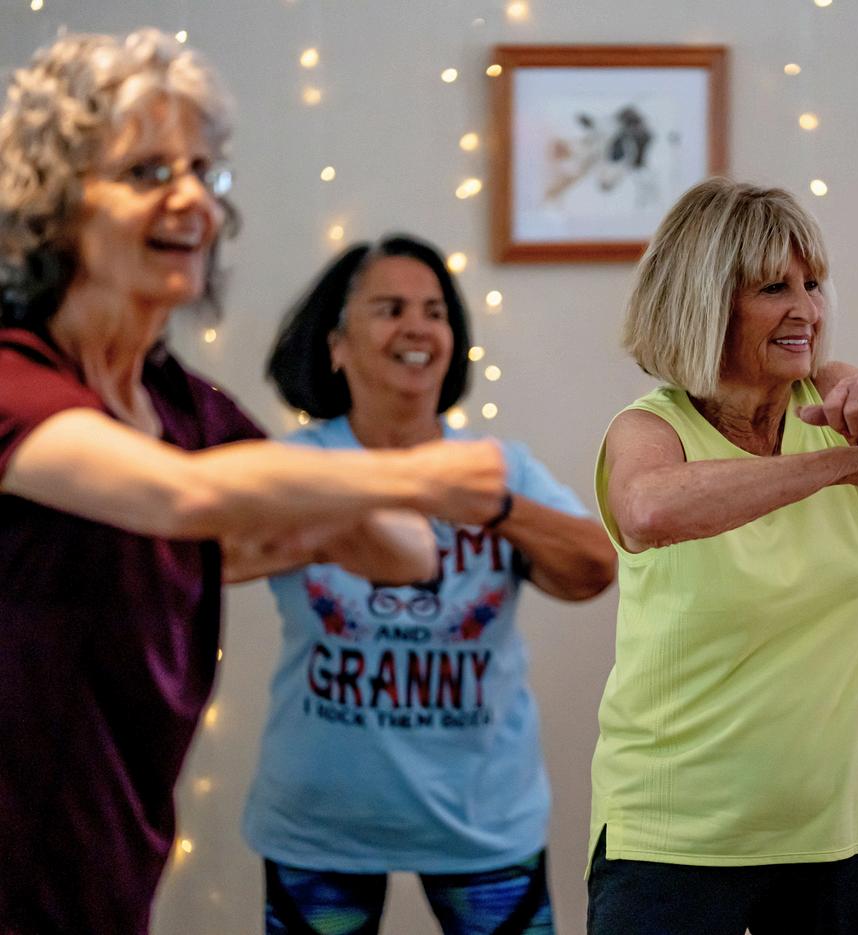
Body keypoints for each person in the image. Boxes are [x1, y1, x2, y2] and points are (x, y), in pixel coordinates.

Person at [0, 30, 504, 935]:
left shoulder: (184, 407)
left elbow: (405, 552)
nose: (192, 197)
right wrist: (410, 473)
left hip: (107, 872)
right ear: (54, 204)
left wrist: (278, 516)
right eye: (147, 171)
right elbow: (180, 497)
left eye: (203, 169)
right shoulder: (14, 375)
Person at [587, 178, 858, 935]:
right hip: (677, 842)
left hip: (844, 840)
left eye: (813, 284)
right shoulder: (651, 429)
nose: (807, 310)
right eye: (774, 288)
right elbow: (648, 511)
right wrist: (845, 466)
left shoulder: (831, 402)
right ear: (706, 302)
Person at [243, 234, 616, 935]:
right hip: (320, 826)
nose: (417, 327)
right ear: (336, 346)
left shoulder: (495, 468)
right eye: (390, 309)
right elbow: (207, 558)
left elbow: (594, 569)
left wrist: (494, 506)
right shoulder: (294, 464)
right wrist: (341, 507)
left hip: (484, 821)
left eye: (435, 312)